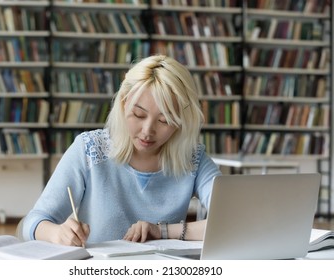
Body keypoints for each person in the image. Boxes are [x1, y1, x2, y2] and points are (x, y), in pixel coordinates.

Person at [21, 54, 222, 246]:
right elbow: (34, 221)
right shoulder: (89, 149)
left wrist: (162, 231)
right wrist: (57, 234)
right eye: (138, 114)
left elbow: (232, 219)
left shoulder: (193, 158)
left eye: (164, 121)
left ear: (180, 121)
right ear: (124, 102)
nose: (147, 131)